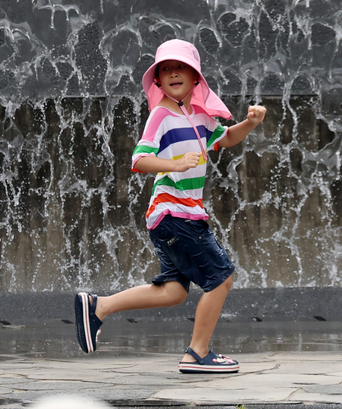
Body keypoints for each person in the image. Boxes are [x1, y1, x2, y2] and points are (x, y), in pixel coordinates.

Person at [73, 39, 266, 373]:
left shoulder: (200, 117)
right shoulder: (161, 114)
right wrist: (175, 164)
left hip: (177, 216)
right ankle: (197, 353)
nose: (173, 73)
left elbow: (225, 138)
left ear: (195, 78)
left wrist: (250, 122)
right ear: (158, 81)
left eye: (181, 68)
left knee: (175, 291)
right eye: (166, 69)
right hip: (173, 213)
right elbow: (139, 159)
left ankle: (98, 306)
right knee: (221, 280)